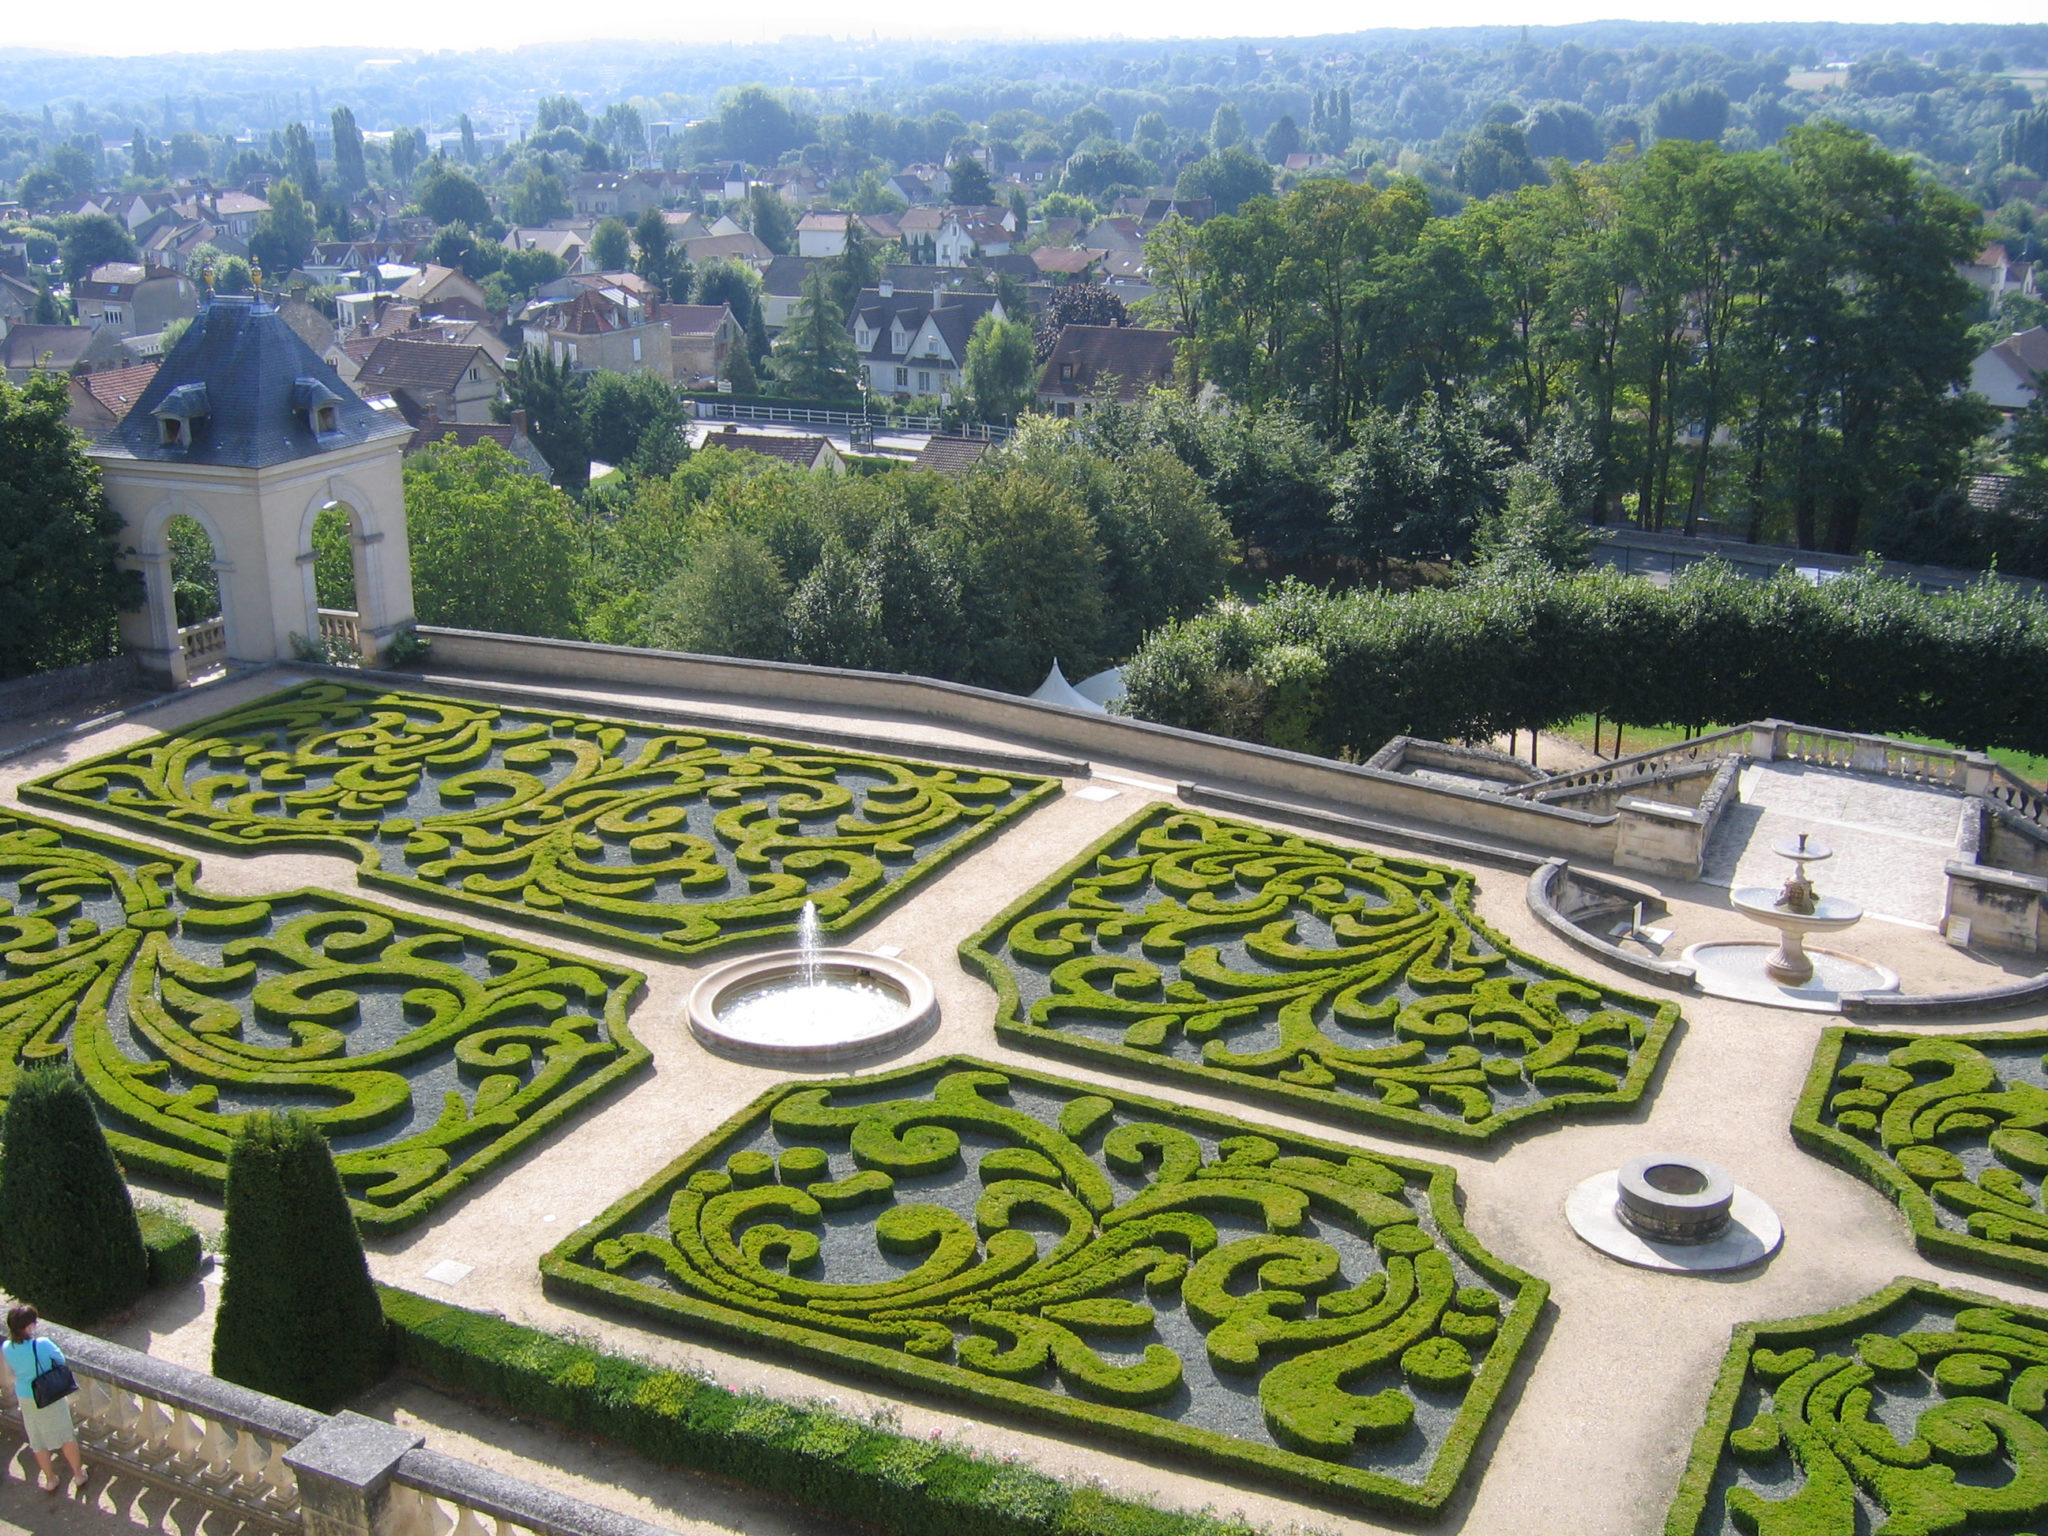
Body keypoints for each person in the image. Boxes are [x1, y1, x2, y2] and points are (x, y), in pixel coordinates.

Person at [2, 1306, 87, 1493]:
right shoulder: (42, 1344)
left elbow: (11, 1371)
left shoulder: (7, 1347)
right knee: (66, 1436)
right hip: (49, 1394)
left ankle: (50, 1479)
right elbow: (60, 1360)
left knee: (37, 1440)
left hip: (26, 1396)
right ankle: (78, 1475)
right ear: (28, 1327)